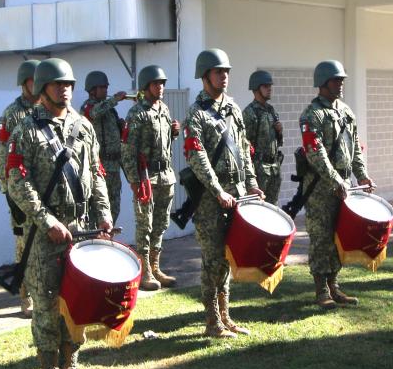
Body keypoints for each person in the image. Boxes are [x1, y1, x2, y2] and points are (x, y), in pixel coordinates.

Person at [5, 58, 112, 369]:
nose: (64, 89)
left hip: (79, 228)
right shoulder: (26, 129)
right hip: (44, 231)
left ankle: (71, 366)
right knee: (48, 303)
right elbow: (16, 180)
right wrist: (45, 219)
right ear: (42, 88)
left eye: (68, 83)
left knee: (76, 300)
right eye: (57, 84)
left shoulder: (83, 126)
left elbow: (96, 173)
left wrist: (104, 213)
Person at [183, 49, 263, 338]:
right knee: (212, 259)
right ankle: (211, 321)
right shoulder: (197, 114)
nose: (225, 76)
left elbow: (244, 150)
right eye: (219, 72)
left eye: (226, 71)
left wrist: (251, 183)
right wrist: (217, 190)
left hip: (236, 194)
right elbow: (197, 157)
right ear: (205, 76)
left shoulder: (233, 108)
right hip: (209, 199)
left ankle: (226, 316)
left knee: (227, 259)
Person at [299, 60, 375, 310]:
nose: (341, 83)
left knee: (337, 236)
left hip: (344, 185)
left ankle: (334, 285)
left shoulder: (346, 111)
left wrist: (361, 176)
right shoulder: (312, 115)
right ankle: (321, 290)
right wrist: (335, 179)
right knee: (321, 238)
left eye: (342, 79)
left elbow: (354, 148)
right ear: (323, 83)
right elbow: (315, 152)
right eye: (336, 79)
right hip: (321, 188)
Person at [121, 65, 179, 291]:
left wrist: (173, 134)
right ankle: (144, 271)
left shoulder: (163, 109)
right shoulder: (136, 113)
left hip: (166, 176)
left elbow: (164, 145)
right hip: (146, 178)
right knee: (145, 225)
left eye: (162, 83)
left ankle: (156, 267)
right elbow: (128, 150)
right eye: (156, 84)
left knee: (161, 224)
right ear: (146, 87)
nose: (161, 87)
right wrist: (134, 181)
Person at [0, 59, 40, 316]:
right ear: (25, 83)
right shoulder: (12, 113)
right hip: (18, 188)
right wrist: (9, 187)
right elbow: (2, 154)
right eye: (34, 80)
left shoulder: (47, 108)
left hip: (44, 188)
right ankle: (25, 296)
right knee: (23, 242)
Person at [80, 71, 127, 225]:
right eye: (103, 87)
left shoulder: (109, 110)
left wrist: (120, 126)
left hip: (114, 166)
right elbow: (94, 113)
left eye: (107, 87)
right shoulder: (88, 107)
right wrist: (114, 99)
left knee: (114, 208)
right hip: (100, 167)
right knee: (98, 210)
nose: (106, 90)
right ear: (93, 89)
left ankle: (107, 237)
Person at [243, 70, 284, 205]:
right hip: (259, 169)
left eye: (270, 86)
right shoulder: (250, 113)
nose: (269, 89)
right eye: (265, 86)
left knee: (273, 206)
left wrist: (279, 132)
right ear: (256, 88)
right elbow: (245, 146)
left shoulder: (271, 110)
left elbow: (278, 143)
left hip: (274, 167)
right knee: (258, 206)